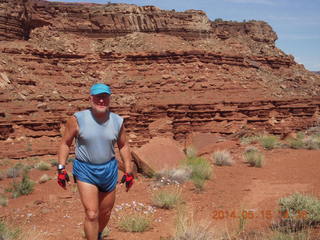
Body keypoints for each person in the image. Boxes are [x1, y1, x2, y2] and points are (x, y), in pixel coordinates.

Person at [57, 83, 134, 240]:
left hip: (109, 170)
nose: (101, 101)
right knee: (92, 214)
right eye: (98, 97)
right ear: (91, 98)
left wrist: (128, 170)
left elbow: (123, 145)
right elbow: (65, 143)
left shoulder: (117, 121)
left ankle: (97, 234)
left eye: (105, 97)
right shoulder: (77, 119)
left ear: (109, 99)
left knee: (105, 213)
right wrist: (61, 168)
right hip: (85, 170)